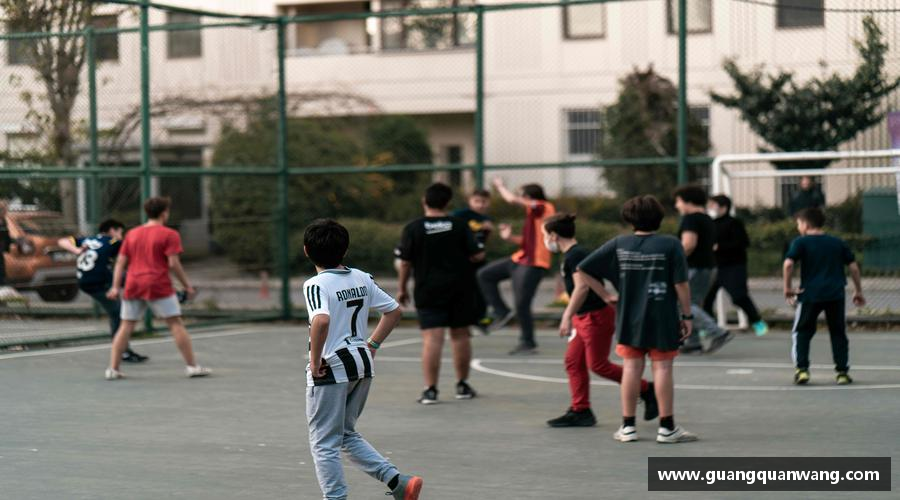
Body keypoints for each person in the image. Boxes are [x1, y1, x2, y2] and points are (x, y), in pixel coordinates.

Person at [302, 219, 422, 500]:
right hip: (361, 363)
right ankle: (398, 482)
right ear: (344, 251)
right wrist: (373, 344)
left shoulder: (315, 284)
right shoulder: (361, 277)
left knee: (323, 443)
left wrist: (316, 360)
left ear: (306, 251)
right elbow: (393, 311)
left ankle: (336, 497)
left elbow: (320, 321)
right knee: (345, 434)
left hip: (332, 367)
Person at [576, 195, 698, 444]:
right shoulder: (670, 244)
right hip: (662, 316)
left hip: (629, 317)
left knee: (631, 368)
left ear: (628, 218)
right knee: (662, 368)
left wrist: (605, 295)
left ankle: (628, 426)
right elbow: (681, 284)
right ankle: (667, 428)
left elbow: (583, 268)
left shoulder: (620, 244)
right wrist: (686, 315)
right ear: (660, 217)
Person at [548, 213, 658, 428]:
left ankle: (647, 389)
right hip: (584, 318)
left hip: (594, 316)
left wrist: (566, 314)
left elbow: (582, 286)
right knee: (573, 362)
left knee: (598, 365)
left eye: (545, 234)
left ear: (553, 235)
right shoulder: (572, 254)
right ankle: (581, 410)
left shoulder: (576, 255)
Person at [396, 183, 485, 405]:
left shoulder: (413, 228)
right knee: (461, 336)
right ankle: (462, 386)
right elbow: (477, 256)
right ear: (448, 203)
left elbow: (405, 263)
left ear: (424, 201)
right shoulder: (459, 225)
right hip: (460, 288)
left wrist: (402, 288)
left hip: (428, 289)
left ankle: (430, 390)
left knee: (432, 339)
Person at [104, 197, 209, 380]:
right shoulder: (170, 234)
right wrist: (187, 286)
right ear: (164, 213)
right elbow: (173, 263)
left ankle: (113, 369)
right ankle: (192, 366)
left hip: (133, 283)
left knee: (126, 325)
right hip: (158, 284)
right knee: (175, 323)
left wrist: (115, 287)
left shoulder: (132, 234)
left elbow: (120, 262)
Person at [784, 207, 864, 386]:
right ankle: (842, 372)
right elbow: (853, 267)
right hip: (835, 294)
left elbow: (788, 264)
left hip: (810, 294)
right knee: (838, 332)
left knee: (802, 332)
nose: (798, 227)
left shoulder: (801, 242)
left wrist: (787, 288)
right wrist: (858, 290)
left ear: (805, 224)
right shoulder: (837, 242)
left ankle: (802, 369)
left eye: (798, 223)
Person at [478, 177, 556, 355]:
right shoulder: (533, 215)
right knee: (484, 275)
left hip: (535, 263)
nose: (521, 199)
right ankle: (502, 311)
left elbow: (512, 199)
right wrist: (509, 237)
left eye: (523, 196)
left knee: (522, 303)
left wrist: (500, 186)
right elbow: (528, 241)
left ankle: (528, 342)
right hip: (520, 259)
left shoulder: (544, 207)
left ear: (530, 196)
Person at [58, 219, 148, 362]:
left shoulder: (88, 239)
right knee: (118, 313)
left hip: (86, 280)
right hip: (98, 282)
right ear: (112, 230)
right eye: (120, 232)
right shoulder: (112, 241)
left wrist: (76, 250)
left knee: (126, 291)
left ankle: (123, 348)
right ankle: (122, 351)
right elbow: (125, 249)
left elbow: (62, 241)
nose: (121, 235)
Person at [673, 185, 733, 354]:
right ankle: (692, 341)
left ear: (687, 201)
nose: (677, 206)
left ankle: (717, 332)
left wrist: (673, 259)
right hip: (709, 266)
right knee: (693, 303)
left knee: (682, 303)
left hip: (694, 267)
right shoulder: (707, 219)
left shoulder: (690, 219)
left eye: (678, 201)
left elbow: (689, 244)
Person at [701, 195, 769, 336]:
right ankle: (709, 326)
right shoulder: (708, 224)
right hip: (713, 267)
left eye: (713, 205)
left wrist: (719, 247)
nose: (710, 208)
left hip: (733, 266)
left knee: (739, 296)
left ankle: (757, 322)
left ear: (724, 208)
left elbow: (743, 243)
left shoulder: (734, 223)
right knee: (705, 298)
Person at [450, 188, 494, 330]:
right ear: (470, 201)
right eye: (477, 201)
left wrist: (488, 231)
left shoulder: (487, 219)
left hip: (479, 260)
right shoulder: (460, 215)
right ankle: (461, 316)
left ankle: (481, 318)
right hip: (462, 259)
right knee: (462, 289)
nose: (480, 205)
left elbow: (482, 240)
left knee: (481, 288)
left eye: (484, 202)